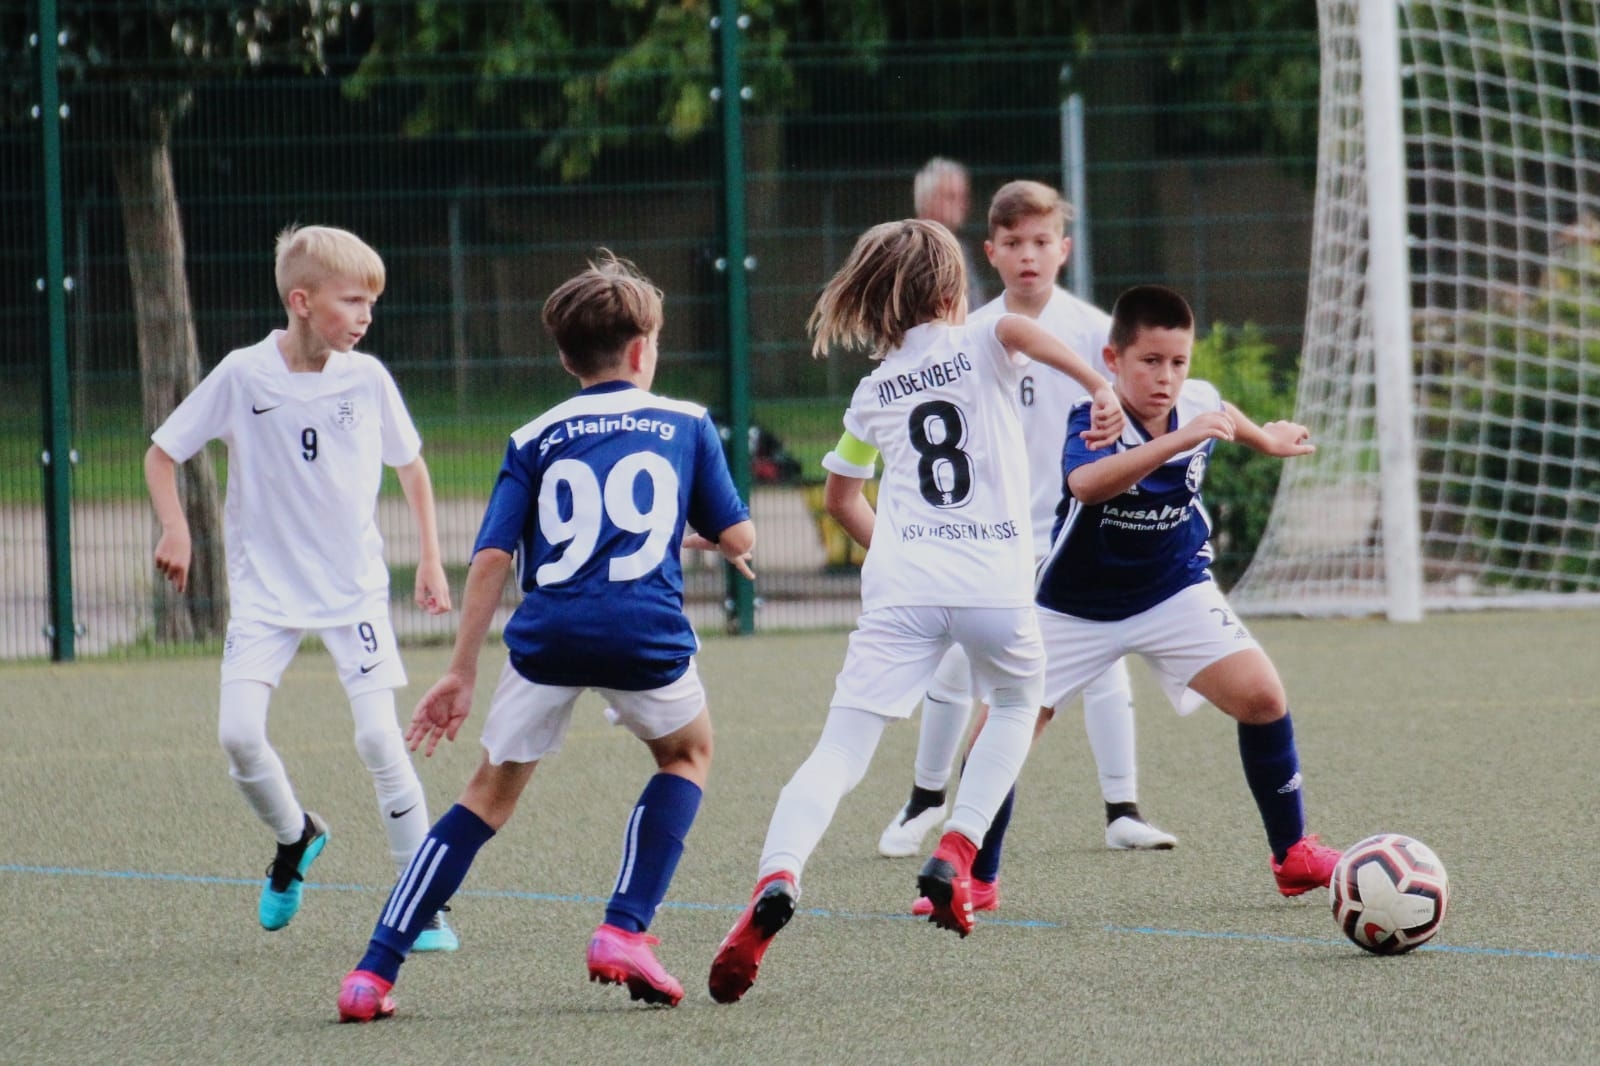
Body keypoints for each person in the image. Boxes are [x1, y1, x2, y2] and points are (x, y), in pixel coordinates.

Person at [706, 218, 1124, 1005]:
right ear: (950, 288)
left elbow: (841, 498)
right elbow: (1021, 332)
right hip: (993, 583)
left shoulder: (874, 390)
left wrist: (899, 551)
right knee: (1016, 703)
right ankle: (957, 851)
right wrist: (1101, 387)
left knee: (839, 751)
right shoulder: (983, 337)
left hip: (903, 587)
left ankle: (777, 877)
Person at [336, 251, 756, 1022]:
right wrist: (704, 538)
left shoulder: (532, 435)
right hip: (643, 629)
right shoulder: (687, 422)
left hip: (549, 633)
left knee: (485, 798)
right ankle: (624, 927)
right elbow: (738, 536)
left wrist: (461, 670)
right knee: (687, 754)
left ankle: (372, 973)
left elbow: (493, 556)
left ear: (566, 359)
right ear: (643, 351)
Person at [958, 283, 1342, 902]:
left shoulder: (1197, 401)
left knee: (1263, 697)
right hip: (1074, 608)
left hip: (1172, 590)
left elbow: (1221, 410)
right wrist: (1177, 442)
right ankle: (976, 880)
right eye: (1150, 361)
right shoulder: (1096, 415)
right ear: (1113, 360)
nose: (1166, 378)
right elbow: (1086, 484)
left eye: (1178, 362)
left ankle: (1292, 854)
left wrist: (1266, 439)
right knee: (993, 738)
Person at [144, 224, 458, 950]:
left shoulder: (367, 378)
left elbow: (411, 466)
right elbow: (162, 454)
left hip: (354, 591)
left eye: (372, 302)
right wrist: (175, 528)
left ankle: (421, 907)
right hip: (265, 594)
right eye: (352, 301)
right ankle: (296, 836)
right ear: (302, 301)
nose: (366, 315)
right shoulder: (243, 374)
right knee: (238, 737)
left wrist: (432, 557)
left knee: (379, 738)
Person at [881, 182, 1177, 900]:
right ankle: (926, 799)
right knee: (960, 664)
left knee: (1102, 661)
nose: (1028, 256)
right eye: (1013, 243)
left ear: (1063, 249)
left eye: (1042, 242)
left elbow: (1132, 417)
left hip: (1072, 529)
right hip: (990, 535)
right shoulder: (969, 333)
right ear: (990, 252)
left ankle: (1123, 811)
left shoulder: (1094, 333)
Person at [914, 156, 985, 310]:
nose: (962, 205)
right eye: (951, 197)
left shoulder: (960, 247)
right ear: (926, 199)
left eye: (963, 197)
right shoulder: (912, 249)